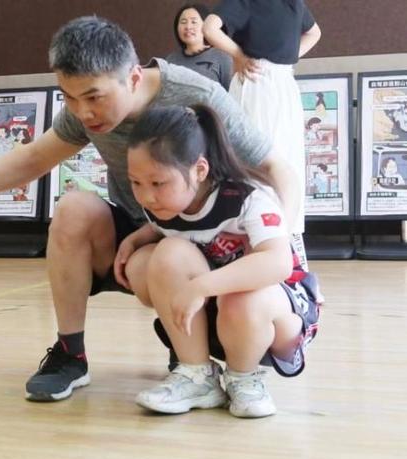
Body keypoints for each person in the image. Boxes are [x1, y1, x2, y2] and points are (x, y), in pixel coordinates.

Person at [0, 16, 300, 402]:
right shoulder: (85, 111)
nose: (83, 112)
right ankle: (70, 355)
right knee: (73, 209)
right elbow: (32, 160)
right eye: (69, 97)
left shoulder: (195, 96)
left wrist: (286, 246)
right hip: (145, 228)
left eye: (94, 97)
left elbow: (274, 166)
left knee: (162, 259)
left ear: (132, 77)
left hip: (208, 240)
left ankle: (190, 348)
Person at [117, 104, 321, 418]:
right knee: (167, 253)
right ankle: (197, 375)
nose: (146, 196)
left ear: (200, 170)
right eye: (136, 183)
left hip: (275, 313)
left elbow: (278, 263)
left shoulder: (248, 198)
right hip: (220, 313)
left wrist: (202, 286)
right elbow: (164, 228)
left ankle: (245, 378)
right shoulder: (165, 205)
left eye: (158, 183)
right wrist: (134, 240)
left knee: (242, 297)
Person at [203, 0, 321, 269]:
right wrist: (239, 55)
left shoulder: (293, 4)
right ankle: (254, 239)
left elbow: (314, 32)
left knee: (286, 162)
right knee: (253, 162)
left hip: (281, 83)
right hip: (256, 83)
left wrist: (290, 55)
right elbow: (210, 28)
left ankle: (287, 239)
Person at [165, 4, 234, 90]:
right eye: (183, 22)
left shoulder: (222, 58)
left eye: (194, 22)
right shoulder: (171, 60)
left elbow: (231, 95)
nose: (188, 27)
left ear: (206, 25)